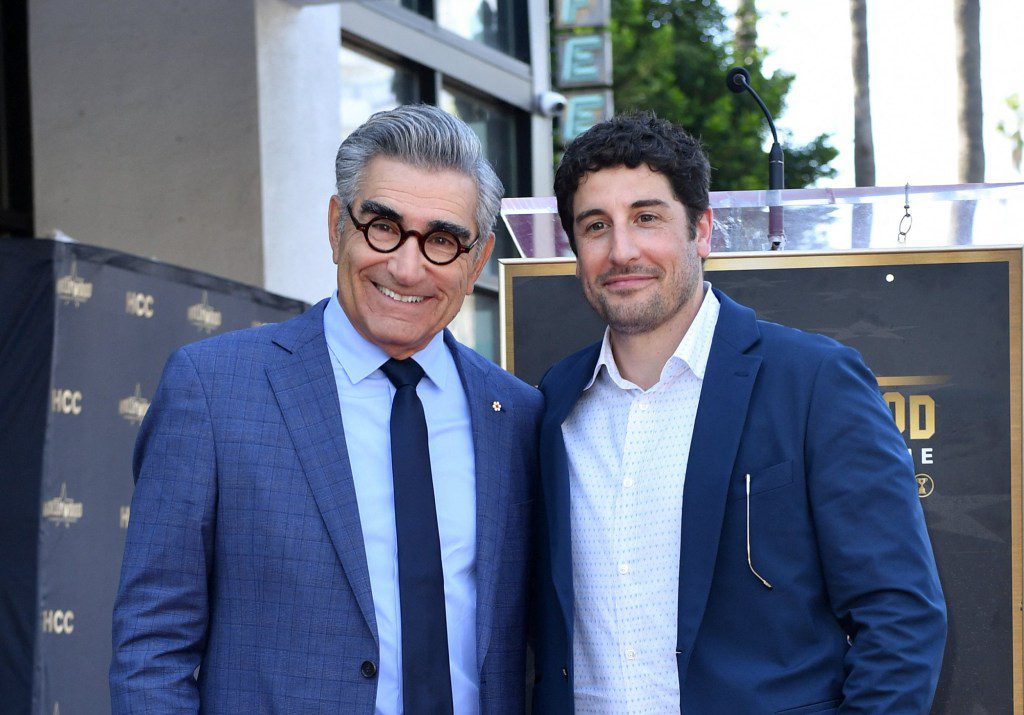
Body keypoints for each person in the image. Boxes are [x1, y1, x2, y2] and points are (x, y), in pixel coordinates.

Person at [110, 104, 542, 714]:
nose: (406, 265)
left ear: (477, 260)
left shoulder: (519, 416)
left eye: (442, 240)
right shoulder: (215, 388)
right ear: (338, 224)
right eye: (383, 226)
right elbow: (153, 643)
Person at [531, 112, 946, 713]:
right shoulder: (553, 403)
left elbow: (901, 618)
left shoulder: (813, 381)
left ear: (701, 230)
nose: (622, 250)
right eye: (596, 226)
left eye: (647, 217)